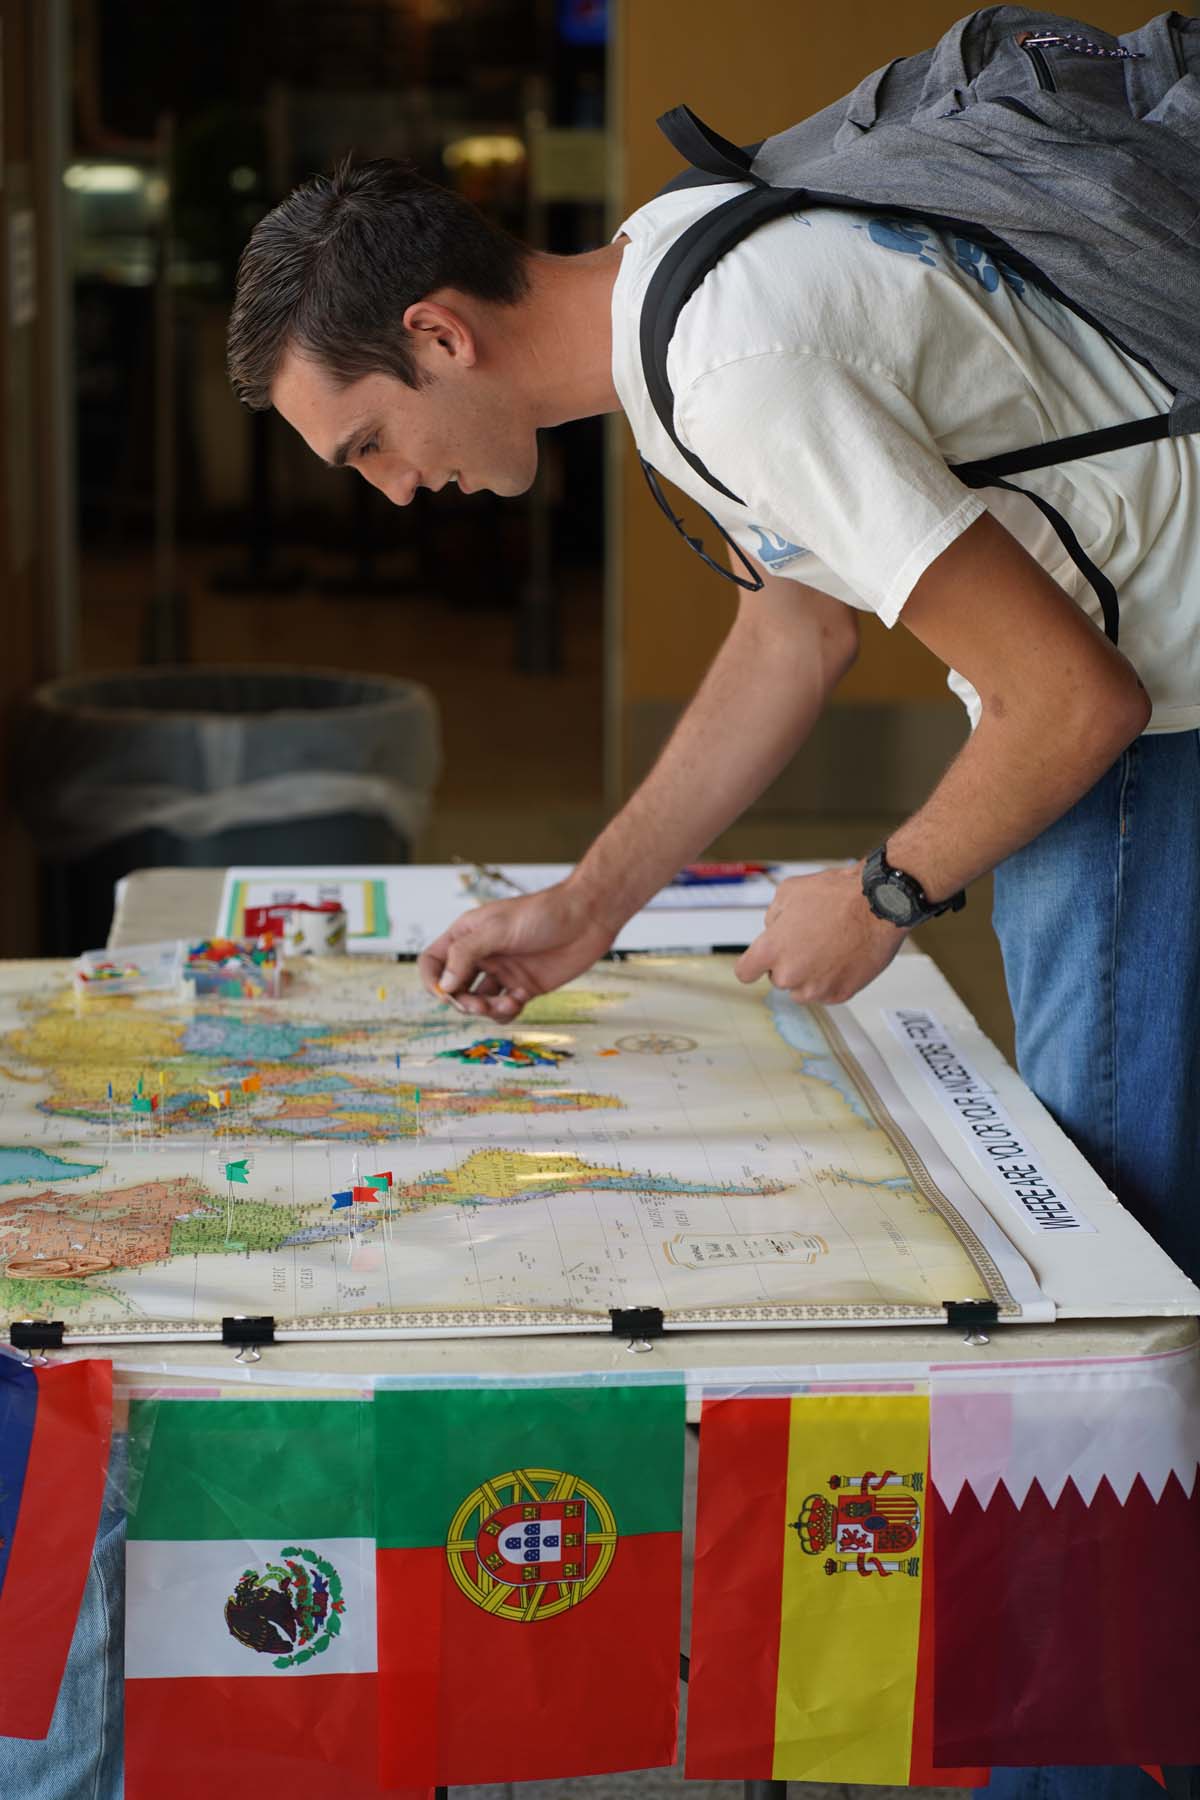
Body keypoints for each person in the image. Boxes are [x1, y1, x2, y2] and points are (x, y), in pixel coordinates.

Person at [226, 155, 1199, 1305]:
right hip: (1133, 698)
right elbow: (792, 639)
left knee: (1113, 1247)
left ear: (439, 335)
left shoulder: (736, 375)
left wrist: (883, 891)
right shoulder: (669, 273)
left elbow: (1075, 701)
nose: (391, 490)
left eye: (369, 443)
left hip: (1155, 724)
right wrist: (590, 904)